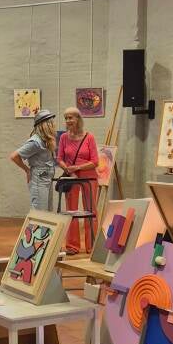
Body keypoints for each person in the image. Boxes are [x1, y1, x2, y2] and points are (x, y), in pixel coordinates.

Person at [57, 106, 99, 254]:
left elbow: (95, 161)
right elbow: (59, 158)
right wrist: (68, 169)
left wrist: (77, 167)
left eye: (71, 117)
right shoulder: (63, 137)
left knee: (90, 211)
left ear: (78, 119)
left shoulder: (89, 137)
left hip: (89, 178)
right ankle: (72, 246)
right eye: (66, 118)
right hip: (71, 177)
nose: (68, 121)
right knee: (71, 211)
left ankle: (91, 246)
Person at [10, 109, 56, 211]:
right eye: (50, 122)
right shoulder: (35, 142)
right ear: (45, 125)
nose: (53, 124)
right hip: (39, 179)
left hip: (46, 178)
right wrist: (27, 170)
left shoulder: (46, 141)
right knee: (40, 212)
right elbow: (14, 156)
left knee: (48, 212)